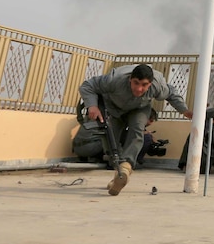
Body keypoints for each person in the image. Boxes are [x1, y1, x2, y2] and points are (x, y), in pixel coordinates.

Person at [80, 64, 193, 195]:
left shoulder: (158, 85)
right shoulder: (114, 79)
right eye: (136, 83)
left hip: (139, 108)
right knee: (110, 142)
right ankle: (118, 174)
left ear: (150, 84)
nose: (139, 89)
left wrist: (184, 110)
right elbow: (88, 85)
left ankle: (126, 169)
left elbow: (171, 93)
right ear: (130, 79)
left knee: (137, 130)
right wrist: (92, 106)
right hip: (113, 108)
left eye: (144, 85)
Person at [178, 107, 214, 173]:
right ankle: (212, 162)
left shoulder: (200, 124)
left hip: (189, 158)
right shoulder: (210, 126)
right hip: (200, 158)